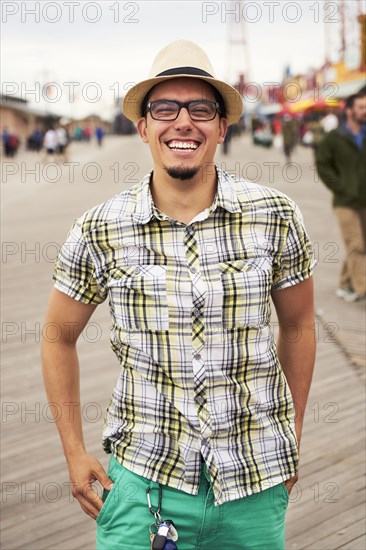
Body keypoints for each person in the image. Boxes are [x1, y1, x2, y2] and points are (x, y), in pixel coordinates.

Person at [42, 40, 316, 550]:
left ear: (221, 127)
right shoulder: (100, 228)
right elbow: (57, 336)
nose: (183, 122)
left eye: (201, 109)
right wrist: (74, 451)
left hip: (254, 485)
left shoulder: (276, 216)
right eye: (165, 108)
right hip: (142, 488)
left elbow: (299, 325)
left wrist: (292, 437)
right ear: (143, 127)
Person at [316, 92, 366, 302]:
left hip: (364, 200)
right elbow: (323, 165)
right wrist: (340, 186)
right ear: (349, 111)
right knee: (356, 244)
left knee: (360, 243)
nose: (365, 111)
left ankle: (344, 283)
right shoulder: (334, 138)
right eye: (361, 107)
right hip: (344, 201)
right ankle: (362, 289)